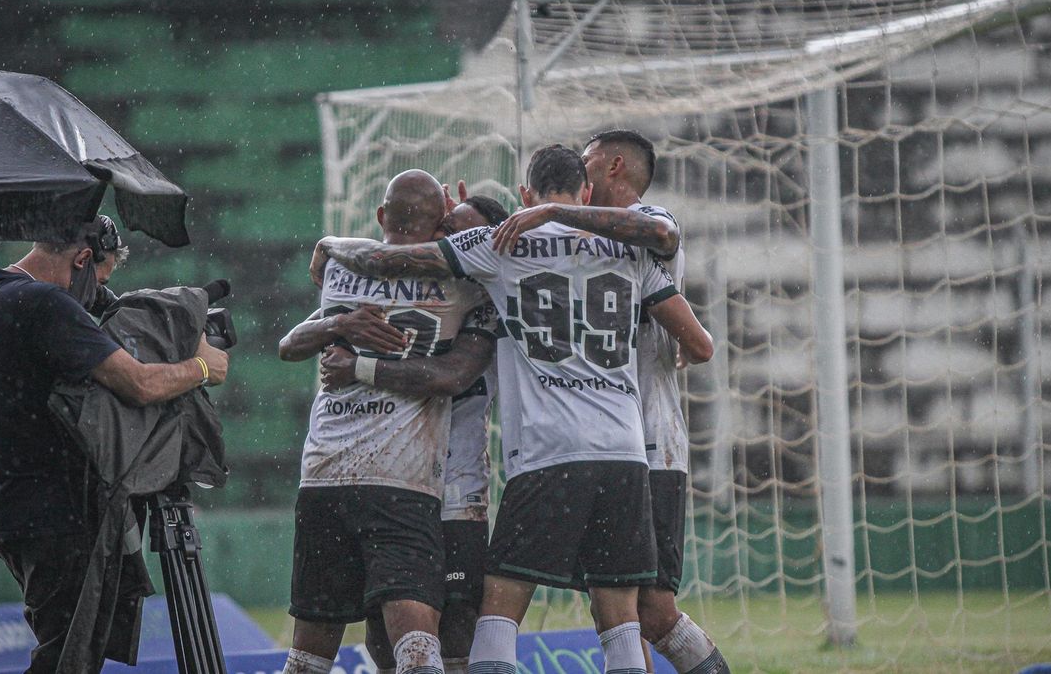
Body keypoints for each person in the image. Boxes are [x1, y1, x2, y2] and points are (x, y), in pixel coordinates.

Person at [308, 145, 714, 674]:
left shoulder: (501, 245)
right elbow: (697, 338)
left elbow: (394, 259)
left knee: (497, 612)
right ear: (585, 193)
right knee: (622, 619)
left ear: (525, 195)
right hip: (626, 454)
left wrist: (331, 245)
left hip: (548, 453)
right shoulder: (630, 247)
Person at [493, 129, 731, 672]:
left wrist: (548, 213)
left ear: (614, 165)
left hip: (648, 439)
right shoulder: (587, 243)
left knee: (652, 609)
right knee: (613, 606)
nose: (577, 176)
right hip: (605, 441)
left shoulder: (654, 221)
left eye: (586, 162)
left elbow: (698, 340)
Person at [0, 215, 230, 674]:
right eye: (98, 281)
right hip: (56, 511)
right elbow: (139, 384)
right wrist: (201, 366)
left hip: (2, 504)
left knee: (59, 640)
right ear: (83, 258)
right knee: (69, 658)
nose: (95, 296)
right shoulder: (45, 302)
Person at [278, 171, 495, 674]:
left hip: (322, 476)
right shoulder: (463, 282)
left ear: (381, 216)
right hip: (399, 482)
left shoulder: (340, 266)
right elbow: (451, 374)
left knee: (307, 655)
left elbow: (288, 346)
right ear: (442, 224)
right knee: (419, 651)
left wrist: (339, 327)